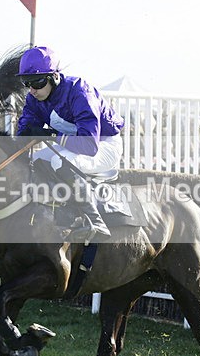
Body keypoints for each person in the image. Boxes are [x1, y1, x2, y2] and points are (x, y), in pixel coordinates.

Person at [16, 46, 125, 241]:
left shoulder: (79, 91)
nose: (32, 90)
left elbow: (89, 145)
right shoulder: (34, 98)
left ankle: (96, 222)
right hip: (72, 146)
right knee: (36, 159)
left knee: (60, 162)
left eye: (37, 83)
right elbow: (24, 133)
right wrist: (25, 134)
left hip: (104, 145)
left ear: (54, 77)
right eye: (27, 83)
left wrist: (50, 134)